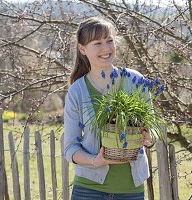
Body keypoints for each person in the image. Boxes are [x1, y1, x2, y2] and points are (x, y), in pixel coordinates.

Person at [64, 17, 156, 200]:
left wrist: (149, 138)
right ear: (83, 49)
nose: (106, 49)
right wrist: (94, 161)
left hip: (130, 189)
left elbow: (151, 129)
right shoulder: (78, 91)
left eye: (109, 41)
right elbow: (70, 149)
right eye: (97, 43)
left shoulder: (135, 80)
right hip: (88, 190)